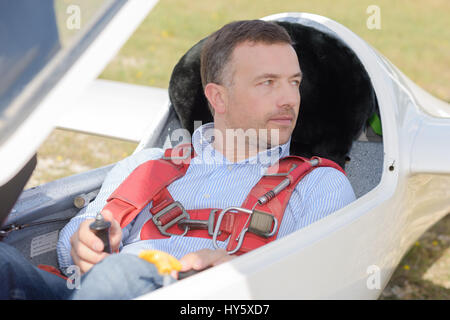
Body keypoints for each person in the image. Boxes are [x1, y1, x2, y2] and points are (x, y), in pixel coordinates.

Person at [0, 20, 355, 300]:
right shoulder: (148, 165)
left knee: (120, 274)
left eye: (294, 82)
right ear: (218, 97)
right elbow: (72, 247)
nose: (289, 99)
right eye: (268, 83)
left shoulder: (319, 184)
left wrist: (241, 274)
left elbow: (319, 285)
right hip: (93, 290)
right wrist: (81, 244)